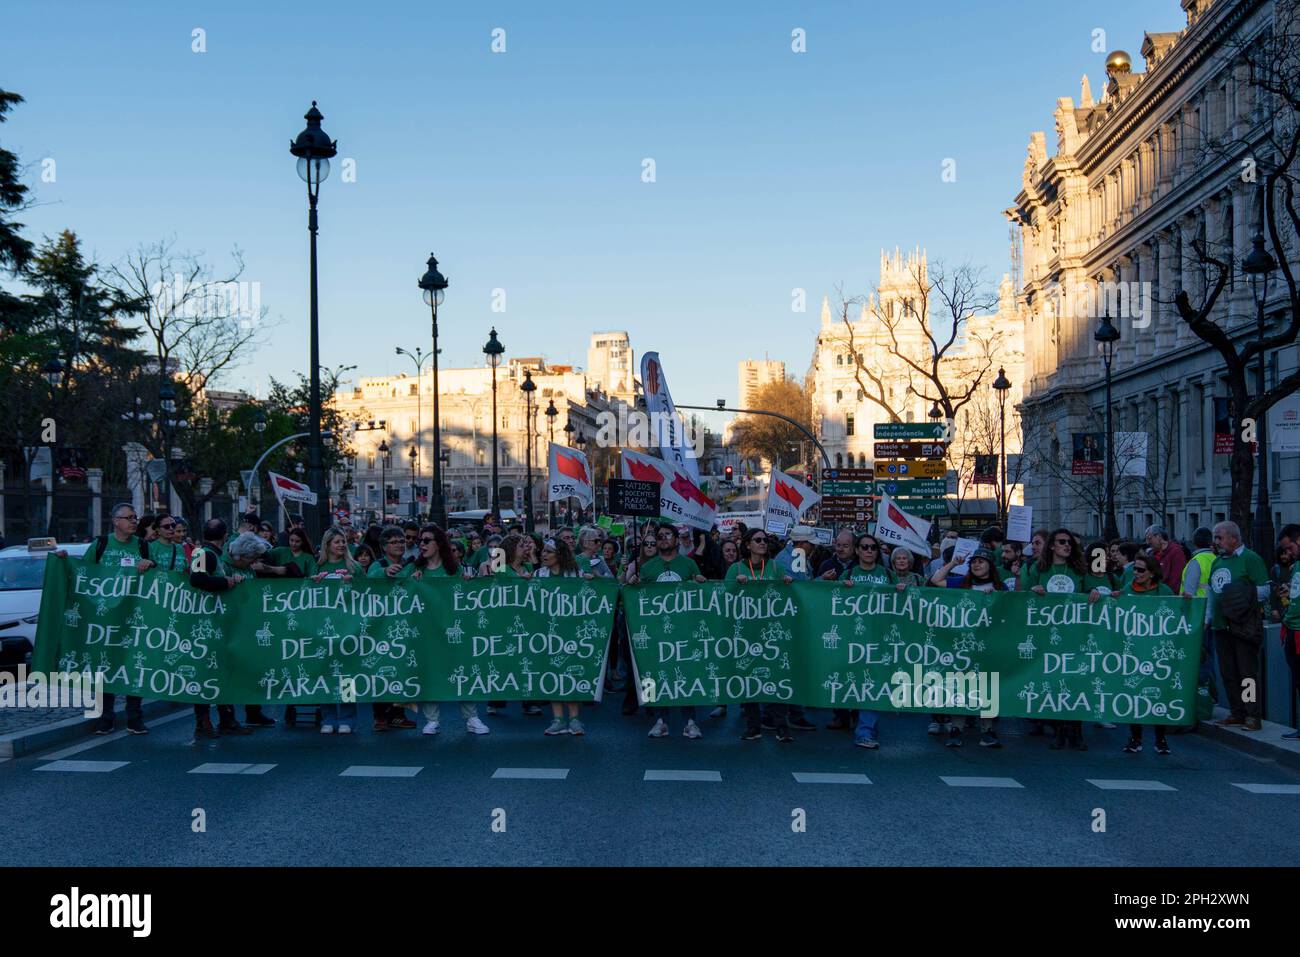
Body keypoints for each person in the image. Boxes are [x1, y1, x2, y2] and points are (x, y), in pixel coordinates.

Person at [1021, 529, 1107, 750]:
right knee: (1053, 681)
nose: (1067, 545)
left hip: (1075, 634)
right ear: (1052, 546)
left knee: (1076, 681)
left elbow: (1092, 589)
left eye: (1069, 542)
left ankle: (1076, 730)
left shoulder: (1080, 569)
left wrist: (1094, 591)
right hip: (1048, 634)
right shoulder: (1038, 568)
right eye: (1061, 542)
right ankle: (1059, 729)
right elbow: (1023, 598)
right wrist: (1033, 590)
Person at [408, 524, 491, 737]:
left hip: (453, 629)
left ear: (439, 544)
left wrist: (469, 582)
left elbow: (468, 596)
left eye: (427, 540)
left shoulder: (455, 570)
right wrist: (410, 582)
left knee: (462, 669)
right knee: (430, 672)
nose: (422, 544)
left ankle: (471, 717)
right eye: (420, 541)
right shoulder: (416, 570)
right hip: (427, 630)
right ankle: (431, 719)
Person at [80, 503, 154, 735]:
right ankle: (106, 717)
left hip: (133, 617)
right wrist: (62, 560)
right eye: (129, 518)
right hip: (105, 619)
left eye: (135, 517)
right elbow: (83, 573)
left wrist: (149, 563)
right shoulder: (100, 544)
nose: (134, 521)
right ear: (115, 521)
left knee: (133, 665)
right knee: (104, 666)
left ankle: (134, 717)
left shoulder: (142, 545)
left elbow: (155, 577)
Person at [628, 522, 707, 739]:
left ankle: (690, 721)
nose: (663, 539)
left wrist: (699, 582)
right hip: (656, 631)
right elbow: (639, 600)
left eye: (667, 535)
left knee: (686, 674)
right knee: (653, 673)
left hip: (684, 630)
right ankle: (659, 719)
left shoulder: (689, 564)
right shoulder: (648, 567)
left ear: (676, 539)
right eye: (660, 536)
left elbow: (700, 593)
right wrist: (634, 583)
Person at [187, 521, 253, 738]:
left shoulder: (211, 554)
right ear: (224, 536)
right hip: (206, 624)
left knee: (223, 671)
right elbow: (196, 579)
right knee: (206, 672)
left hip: (218, 622)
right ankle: (203, 722)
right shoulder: (202, 553)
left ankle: (226, 718)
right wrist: (224, 583)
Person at [1208, 521, 1271, 733]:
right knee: (1228, 672)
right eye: (1215, 538)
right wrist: (1207, 619)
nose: (1215, 542)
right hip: (1220, 626)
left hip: (1242, 626)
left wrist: (1242, 599)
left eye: (1219, 537)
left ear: (1233, 539)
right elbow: (1211, 594)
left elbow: (1264, 590)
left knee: (1247, 674)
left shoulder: (1250, 559)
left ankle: (1252, 715)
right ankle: (1237, 712)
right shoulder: (1217, 562)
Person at [535, 538, 591, 736]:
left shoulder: (574, 574)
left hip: (571, 631)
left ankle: (575, 719)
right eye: (543, 551)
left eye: (549, 551)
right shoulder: (538, 574)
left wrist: (593, 580)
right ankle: (558, 719)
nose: (544, 555)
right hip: (548, 632)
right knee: (552, 673)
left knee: (572, 673)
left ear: (559, 554)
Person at [366, 526, 419, 730]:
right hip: (381, 626)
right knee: (380, 670)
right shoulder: (377, 565)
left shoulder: (410, 565)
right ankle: (379, 715)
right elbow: (369, 581)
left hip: (405, 625)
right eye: (394, 542)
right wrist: (384, 572)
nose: (399, 545)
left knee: (403, 670)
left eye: (401, 542)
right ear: (384, 546)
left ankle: (398, 714)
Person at [1146, 525, 1187, 594]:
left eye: (1149, 538)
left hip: (1167, 597)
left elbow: (1176, 581)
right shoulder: (1152, 554)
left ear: (1159, 537)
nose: (1148, 542)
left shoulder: (1176, 553)